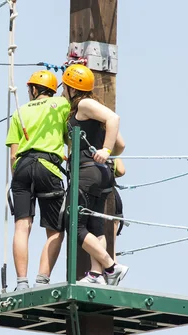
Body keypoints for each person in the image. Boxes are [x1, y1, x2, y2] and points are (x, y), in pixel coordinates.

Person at [62, 64, 129, 286]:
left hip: (87, 173)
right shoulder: (93, 110)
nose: (63, 90)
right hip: (102, 174)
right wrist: (107, 149)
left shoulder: (84, 104)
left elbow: (114, 119)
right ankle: (96, 274)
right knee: (95, 227)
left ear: (72, 88)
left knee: (73, 224)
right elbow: (121, 144)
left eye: (65, 86)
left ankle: (111, 267)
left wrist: (105, 151)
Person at [5, 70, 70, 291]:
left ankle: (21, 282)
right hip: (48, 166)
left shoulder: (19, 112)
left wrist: (19, 182)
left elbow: (13, 154)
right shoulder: (61, 104)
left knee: (22, 227)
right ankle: (42, 280)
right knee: (55, 230)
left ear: (34, 89)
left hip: (22, 167)